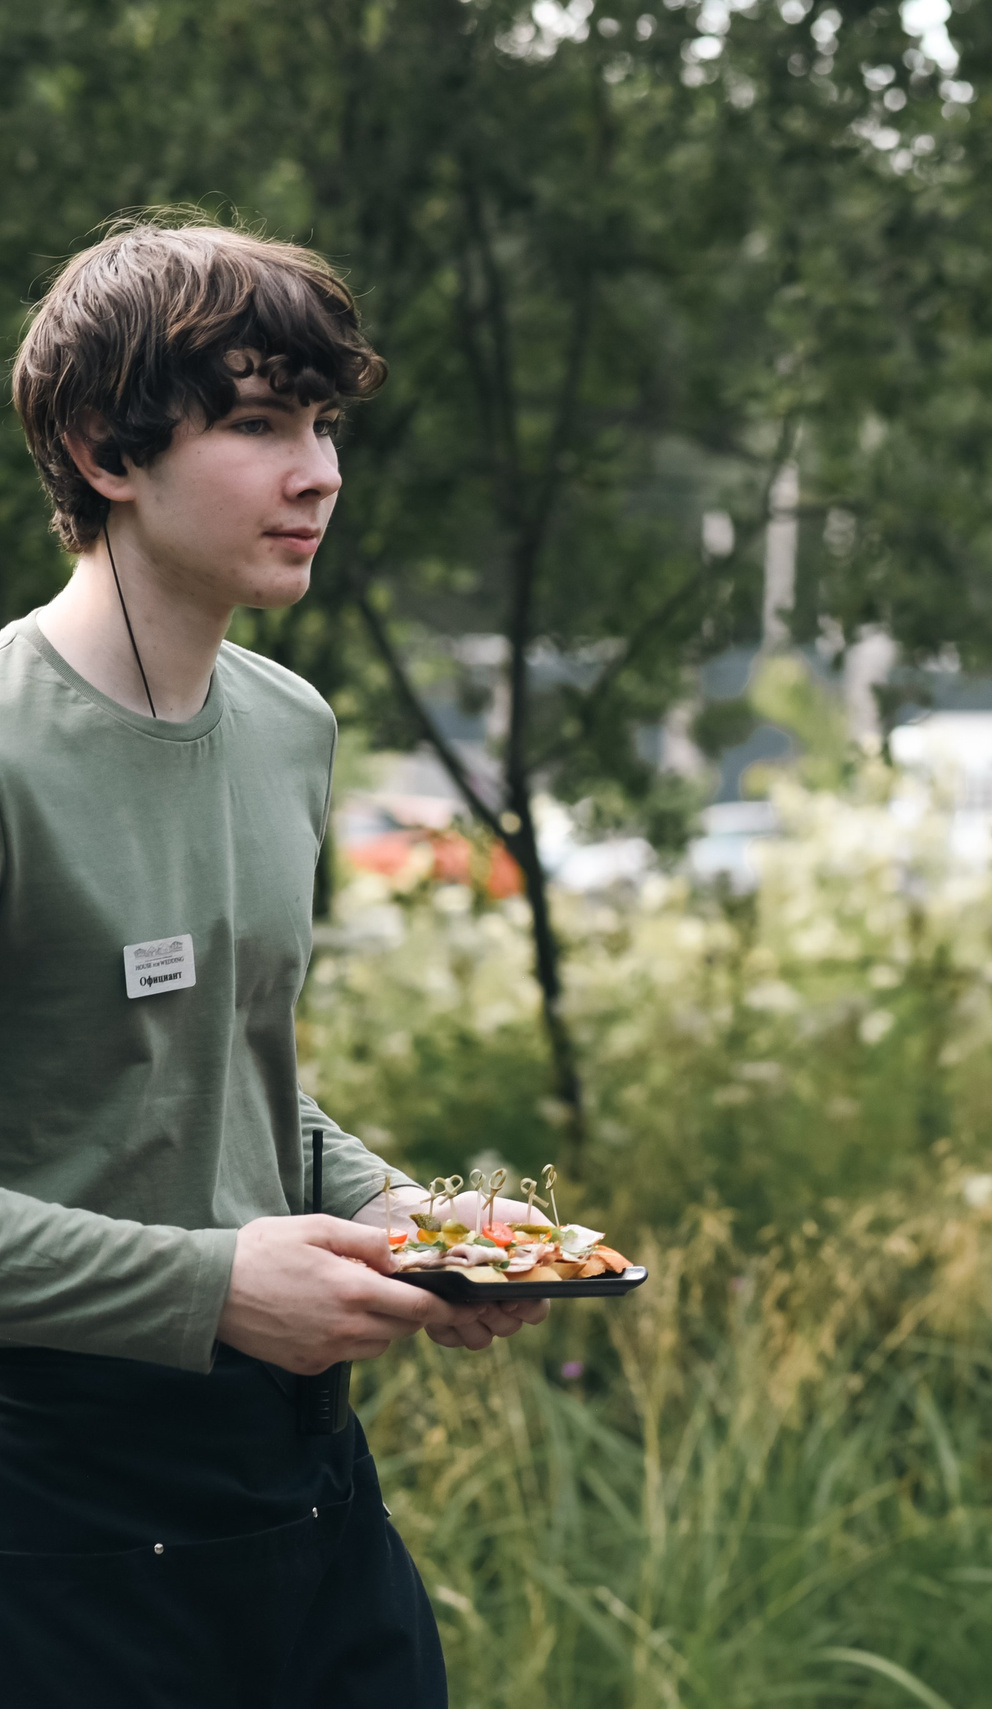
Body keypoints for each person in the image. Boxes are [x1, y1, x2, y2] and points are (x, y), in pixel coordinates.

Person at [2, 215, 546, 1703]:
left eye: (320, 422)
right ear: (107, 453)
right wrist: (210, 1288)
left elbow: (233, 1086)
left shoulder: (289, 723)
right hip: (50, 1508)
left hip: (301, 1481)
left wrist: (419, 1221)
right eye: (257, 423)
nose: (319, 471)